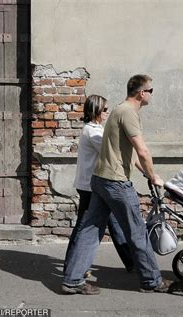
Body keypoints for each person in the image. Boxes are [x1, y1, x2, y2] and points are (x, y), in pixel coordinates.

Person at [62, 74, 172, 295]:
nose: (151, 95)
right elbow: (142, 150)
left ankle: (72, 280)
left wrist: (146, 174)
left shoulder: (119, 111)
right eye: (151, 91)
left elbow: (125, 152)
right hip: (116, 183)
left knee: (91, 230)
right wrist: (154, 176)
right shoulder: (129, 113)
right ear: (142, 93)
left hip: (100, 180)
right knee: (137, 232)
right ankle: (152, 280)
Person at [64, 95, 134, 276]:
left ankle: (133, 264)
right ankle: (70, 269)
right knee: (82, 228)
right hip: (90, 186)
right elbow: (112, 151)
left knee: (116, 224)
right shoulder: (93, 132)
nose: (107, 112)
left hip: (97, 184)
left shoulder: (96, 129)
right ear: (95, 111)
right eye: (104, 110)